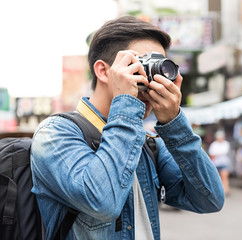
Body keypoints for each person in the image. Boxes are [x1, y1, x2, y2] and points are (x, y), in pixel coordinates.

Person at [30, 16, 224, 240]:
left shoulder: (146, 143)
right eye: (138, 66)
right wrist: (126, 103)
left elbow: (210, 199)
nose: (151, 81)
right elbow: (103, 202)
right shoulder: (55, 134)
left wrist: (173, 122)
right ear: (104, 71)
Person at [208, 130, 231, 196]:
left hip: (224, 163)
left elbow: (222, 152)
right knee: (218, 178)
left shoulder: (226, 144)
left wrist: (216, 154)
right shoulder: (214, 144)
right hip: (216, 163)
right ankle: (219, 191)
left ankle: (226, 190)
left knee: (225, 177)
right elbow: (212, 154)